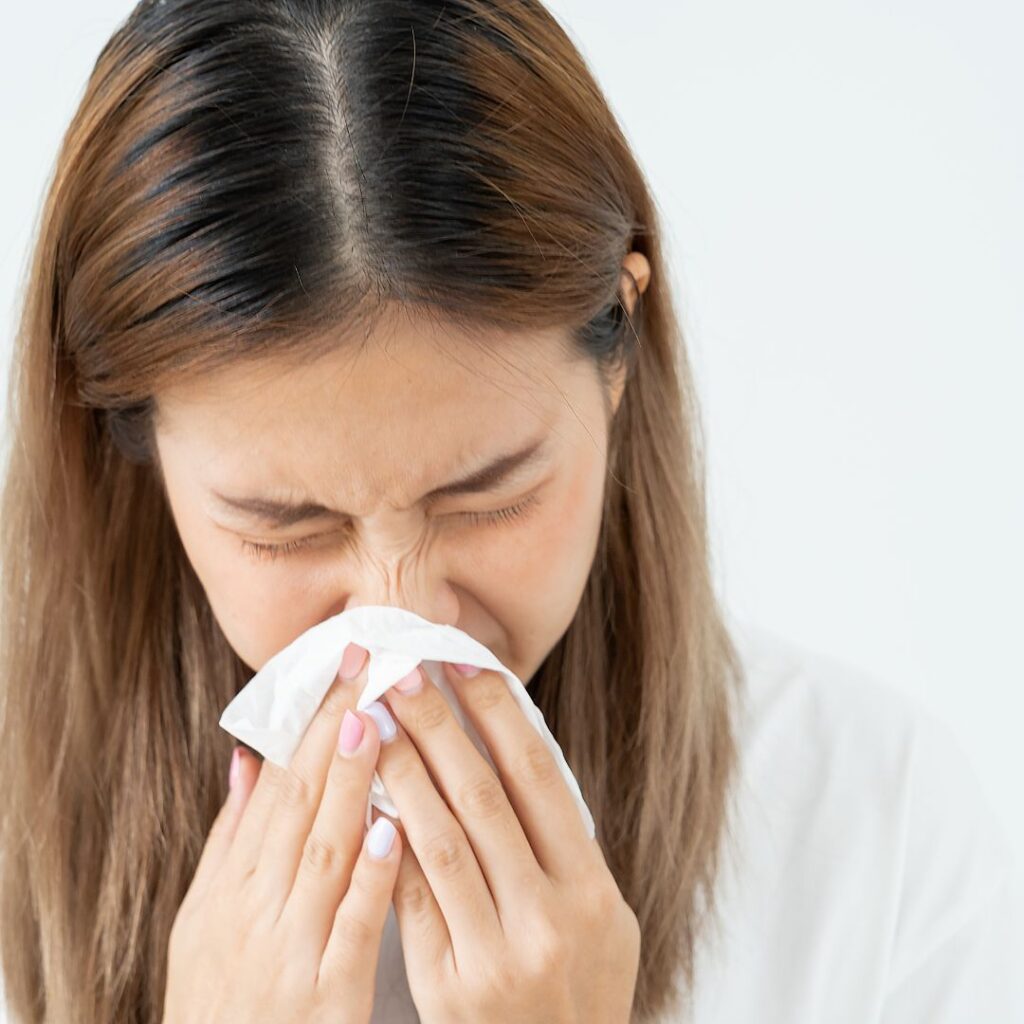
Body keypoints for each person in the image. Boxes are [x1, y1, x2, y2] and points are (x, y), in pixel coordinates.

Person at [0, 0, 1018, 1021]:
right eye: (285, 523)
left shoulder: (872, 827)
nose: (405, 615)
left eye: (487, 495)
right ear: (128, 441)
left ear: (616, 347)